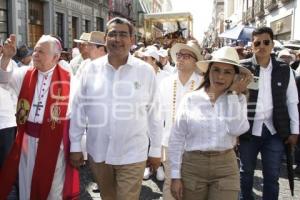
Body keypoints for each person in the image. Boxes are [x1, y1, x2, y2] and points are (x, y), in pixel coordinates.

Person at [69, 17, 162, 200]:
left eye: (123, 34)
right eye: (112, 34)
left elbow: (155, 113)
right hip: (99, 153)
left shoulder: (145, 71)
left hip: (133, 154)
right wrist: (75, 144)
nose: (117, 39)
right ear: (105, 38)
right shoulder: (90, 69)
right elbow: (79, 108)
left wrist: (156, 149)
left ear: (132, 40)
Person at [0, 34, 79, 199]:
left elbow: (77, 115)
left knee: (53, 188)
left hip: (55, 141)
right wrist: (6, 57)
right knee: (26, 183)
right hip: (27, 140)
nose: (35, 54)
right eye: (35, 50)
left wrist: (77, 147)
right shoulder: (24, 73)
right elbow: (3, 79)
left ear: (56, 57)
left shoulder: (69, 79)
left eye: (41, 52)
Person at [168, 46, 251, 200]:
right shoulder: (191, 99)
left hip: (225, 166)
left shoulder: (238, 99)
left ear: (235, 76)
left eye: (228, 72)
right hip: (193, 166)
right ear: (209, 71)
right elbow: (177, 138)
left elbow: (236, 129)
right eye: (216, 70)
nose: (220, 76)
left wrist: (233, 95)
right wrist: (175, 176)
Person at [238, 26, 299, 200]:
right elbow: (233, 100)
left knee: (272, 176)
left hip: (274, 131)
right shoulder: (243, 68)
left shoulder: (284, 69)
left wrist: (295, 131)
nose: (262, 46)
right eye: (257, 43)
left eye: (266, 42)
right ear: (252, 45)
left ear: (272, 44)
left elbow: (292, 101)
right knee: (246, 173)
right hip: (248, 131)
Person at [159, 40, 203, 199]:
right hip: (169, 143)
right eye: (179, 55)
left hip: (196, 147)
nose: (181, 59)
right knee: (170, 186)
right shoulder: (165, 83)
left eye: (186, 56)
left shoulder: (204, 84)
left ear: (195, 61)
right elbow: (158, 116)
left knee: (192, 188)